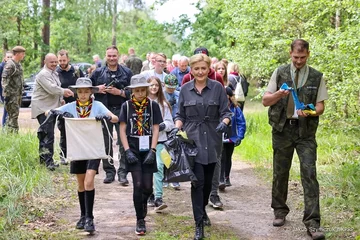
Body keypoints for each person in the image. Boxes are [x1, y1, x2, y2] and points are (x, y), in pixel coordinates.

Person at [262, 39, 328, 240]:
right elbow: (265, 101)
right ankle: (279, 211)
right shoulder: (279, 72)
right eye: (295, 57)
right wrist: (278, 94)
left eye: (302, 57)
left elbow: (320, 107)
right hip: (282, 129)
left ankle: (313, 223)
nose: (298, 61)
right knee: (280, 172)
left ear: (308, 54)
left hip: (305, 132)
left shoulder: (317, 76)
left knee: (309, 173)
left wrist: (307, 111)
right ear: (290, 54)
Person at [172, 53, 232, 240]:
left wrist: (225, 121)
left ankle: (204, 209)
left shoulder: (218, 88)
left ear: (209, 69)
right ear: (191, 70)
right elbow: (179, 114)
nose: (200, 72)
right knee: (197, 182)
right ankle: (199, 224)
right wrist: (177, 128)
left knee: (207, 183)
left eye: (203, 68)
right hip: (192, 140)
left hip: (213, 140)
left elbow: (226, 112)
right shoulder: (185, 89)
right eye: (196, 68)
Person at [48, 77, 119, 233]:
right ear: (76, 93)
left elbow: (115, 118)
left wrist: (105, 117)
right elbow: (49, 112)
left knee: (88, 181)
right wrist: (57, 113)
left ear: (91, 92)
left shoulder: (98, 105)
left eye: (86, 91)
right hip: (77, 149)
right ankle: (82, 215)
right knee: (80, 184)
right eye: (80, 91)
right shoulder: (72, 106)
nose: (83, 94)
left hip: (93, 149)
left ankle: (90, 218)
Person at [119, 74, 162, 235]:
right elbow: (122, 129)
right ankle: (140, 220)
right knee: (137, 184)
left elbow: (156, 127)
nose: (141, 93)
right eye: (137, 91)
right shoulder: (127, 106)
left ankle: (144, 202)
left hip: (148, 146)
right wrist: (127, 150)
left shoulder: (153, 106)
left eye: (143, 90)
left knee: (148, 186)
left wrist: (153, 150)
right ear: (132, 91)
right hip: (133, 146)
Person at [91, 45, 133, 184]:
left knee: (123, 142)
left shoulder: (127, 72)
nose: (111, 58)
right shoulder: (97, 73)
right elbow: (86, 89)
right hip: (103, 110)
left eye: (114, 55)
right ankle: (109, 172)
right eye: (109, 56)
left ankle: (123, 172)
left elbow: (134, 93)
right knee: (105, 142)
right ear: (105, 56)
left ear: (118, 55)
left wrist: (119, 92)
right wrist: (97, 89)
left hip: (122, 110)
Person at [31, 53, 74, 170]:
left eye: (56, 62)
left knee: (47, 134)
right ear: (45, 62)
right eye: (52, 62)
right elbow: (52, 89)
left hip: (51, 108)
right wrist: (64, 92)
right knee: (47, 134)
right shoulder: (43, 74)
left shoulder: (54, 73)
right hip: (42, 108)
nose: (55, 64)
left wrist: (61, 100)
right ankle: (48, 163)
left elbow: (56, 89)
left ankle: (44, 160)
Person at [146, 76, 174, 212]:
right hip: (145, 141)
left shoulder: (163, 104)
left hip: (161, 141)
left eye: (156, 85)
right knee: (146, 169)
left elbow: (171, 123)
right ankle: (148, 194)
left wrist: (163, 126)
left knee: (159, 166)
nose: (153, 87)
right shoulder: (142, 103)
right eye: (151, 85)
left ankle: (158, 197)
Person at [56, 49, 85, 165]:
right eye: (60, 60)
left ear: (68, 59)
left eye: (64, 60)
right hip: (63, 106)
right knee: (63, 130)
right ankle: (63, 155)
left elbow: (84, 84)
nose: (62, 63)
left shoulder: (76, 71)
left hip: (77, 104)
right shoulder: (56, 72)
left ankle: (78, 154)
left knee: (78, 130)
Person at [219, 86, 246, 189]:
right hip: (220, 137)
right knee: (221, 156)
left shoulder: (235, 108)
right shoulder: (217, 107)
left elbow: (241, 123)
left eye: (226, 95)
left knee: (228, 157)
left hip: (231, 137)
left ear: (230, 96)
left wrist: (239, 136)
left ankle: (226, 177)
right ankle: (220, 178)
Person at [1, 46, 26, 133]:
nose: (24, 55)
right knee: (13, 115)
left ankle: (9, 133)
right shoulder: (10, 65)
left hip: (17, 95)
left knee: (14, 115)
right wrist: (7, 95)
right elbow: (4, 80)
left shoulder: (18, 64)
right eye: (23, 54)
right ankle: (13, 134)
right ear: (18, 54)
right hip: (11, 95)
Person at [0, 51, 14, 127]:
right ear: (5, 58)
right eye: (8, 57)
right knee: (6, 110)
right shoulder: (1, 67)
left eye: (11, 57)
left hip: (12, 92)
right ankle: (4, 126)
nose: (9, 58)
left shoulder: (14, 66)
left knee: (12, 111)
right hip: (4, 92)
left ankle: (10, 127)